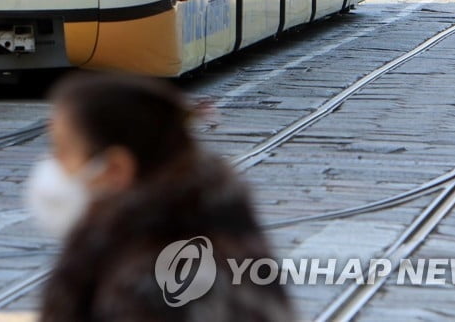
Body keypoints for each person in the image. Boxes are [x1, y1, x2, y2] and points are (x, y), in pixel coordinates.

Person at [28, 71, 291, 321]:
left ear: (116, 169)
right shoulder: (214, 231)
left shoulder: (151, 288)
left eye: (60, 150)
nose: (50, 165)